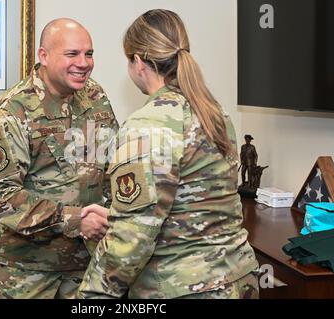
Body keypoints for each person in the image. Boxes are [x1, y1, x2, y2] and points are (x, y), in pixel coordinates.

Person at [78, 9, 259, 299]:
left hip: (183, 287)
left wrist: (90, 297)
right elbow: (192, 201)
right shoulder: (215, 113)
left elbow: (133, 237)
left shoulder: (147, 125)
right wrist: (117, 215)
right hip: (238, 278)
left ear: (138, 62)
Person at [0, 18, 119, 299]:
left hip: (87, 265)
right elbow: (0, 195)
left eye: (88, 54)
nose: (84, 63)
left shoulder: (96, 96)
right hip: (28, 271)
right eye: (72, 54)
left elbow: (112, 165)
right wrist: (74, 219)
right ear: (43, 56)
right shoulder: (11, 111)